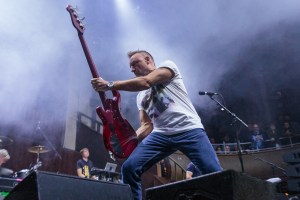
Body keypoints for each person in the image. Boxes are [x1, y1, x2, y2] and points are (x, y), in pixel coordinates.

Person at [91, 50, 222, 200]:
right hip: (161, 136)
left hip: (189, 129)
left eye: (135, 64)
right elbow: (147, 125)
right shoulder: (141, 96)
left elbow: (147, 81)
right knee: (129, 168)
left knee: (215, 173)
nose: (132, 69)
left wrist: (109, 85)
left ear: (148, 60)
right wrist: (126, 142)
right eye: (130, 67)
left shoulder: (168, 67)